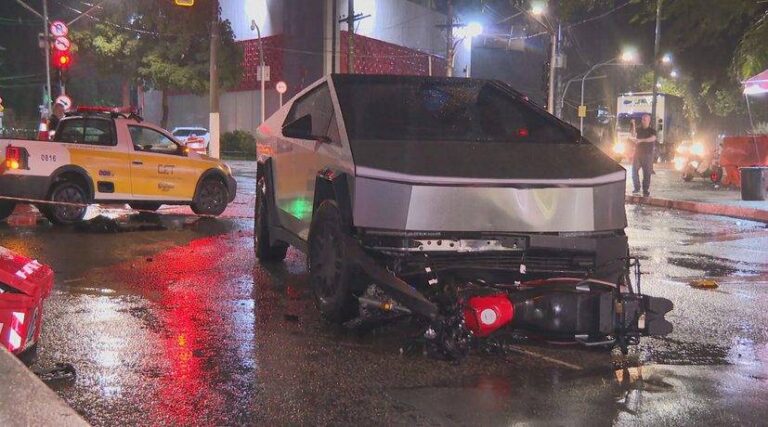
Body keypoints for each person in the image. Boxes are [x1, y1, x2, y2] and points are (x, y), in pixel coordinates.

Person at [630, 113, 657, 197]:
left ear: (649, 121)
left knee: (647, 173)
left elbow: (652, 138)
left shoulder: (652, 130)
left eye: (645, 120)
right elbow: (633, 134)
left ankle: (645, 190)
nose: (643, 121)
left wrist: (641, 140)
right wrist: (633, 124)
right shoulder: (639, 129)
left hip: (647, 154)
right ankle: (637, 188)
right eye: (642, 119)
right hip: (637, 154)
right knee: (634, 171)